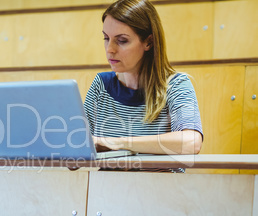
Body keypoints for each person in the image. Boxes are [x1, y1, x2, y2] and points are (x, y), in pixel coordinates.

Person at [84, 0, 203, 157]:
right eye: (106, 38)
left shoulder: (176, 85)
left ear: (149, 42)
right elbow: (78, 141)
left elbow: (191, 142)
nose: (110, 49)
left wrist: (118, 143)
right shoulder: (101, 84)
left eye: (122, 40)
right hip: (107, 181)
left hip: (157, 181)